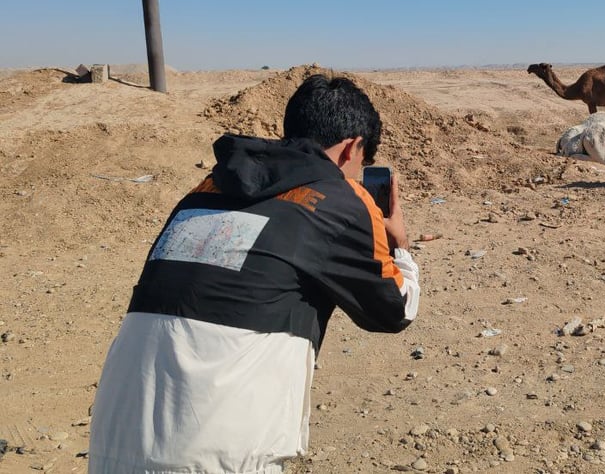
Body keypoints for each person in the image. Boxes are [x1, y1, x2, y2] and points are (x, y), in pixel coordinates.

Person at [87, 74, 421, 474]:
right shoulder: (342, 199)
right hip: (218, 450)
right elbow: (393, 310)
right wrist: (399, 245)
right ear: (352, 148)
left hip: (114, 436)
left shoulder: (205, 187)